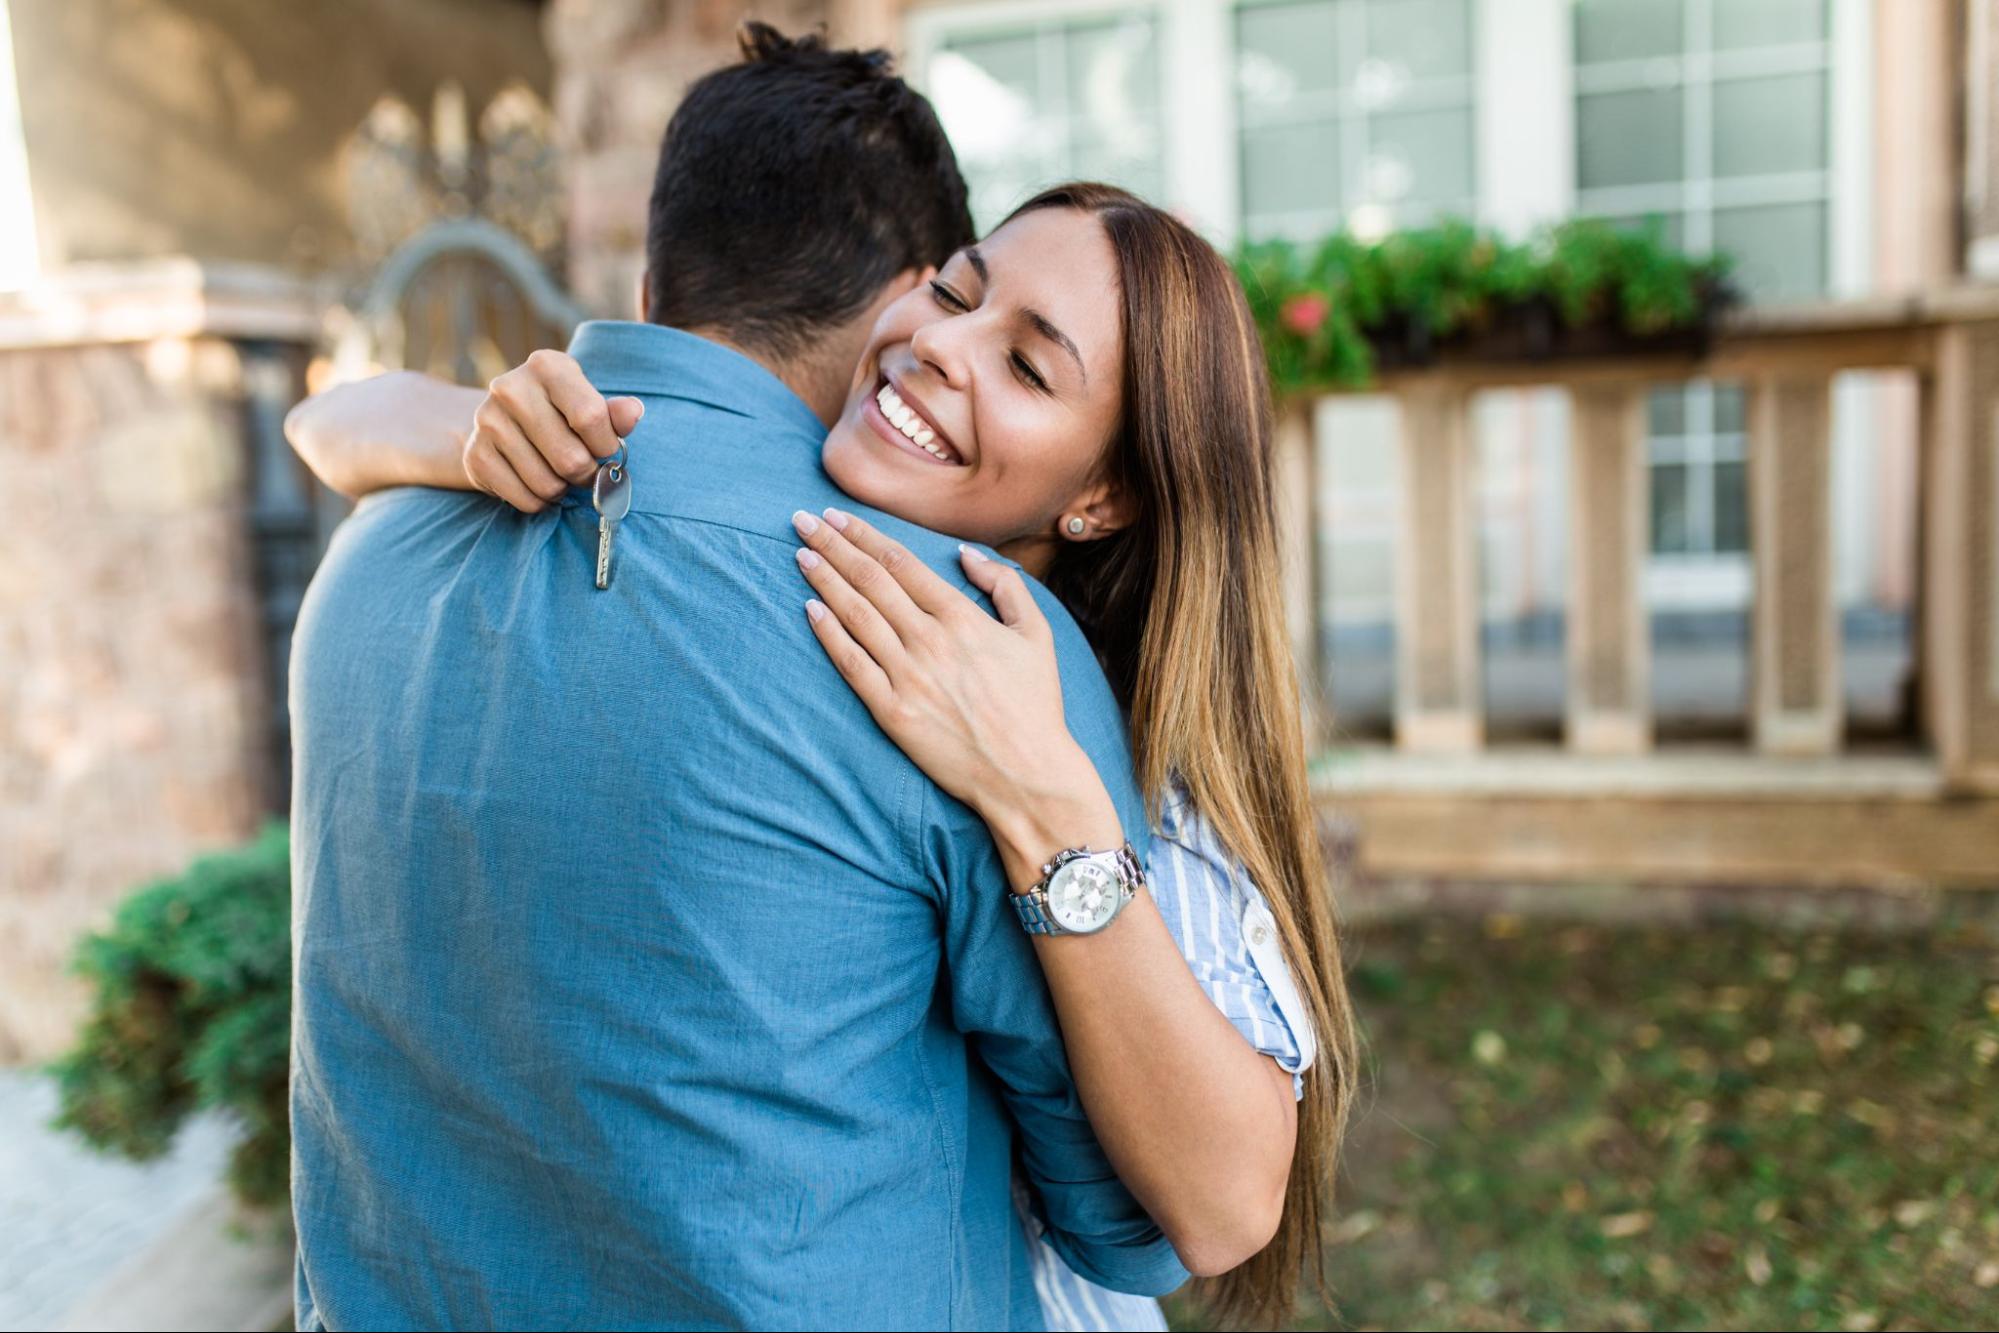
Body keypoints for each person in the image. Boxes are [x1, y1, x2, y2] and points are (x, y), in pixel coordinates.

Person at [294, 169, 1362, 1333]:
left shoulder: (1102, 713)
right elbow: (328, 424)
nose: (944, 347)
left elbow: (1213, 1214)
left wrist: (1046, 797)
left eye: (1028, 365)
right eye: (956, 294)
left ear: (1100, 498)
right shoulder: (813, 564)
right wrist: (455, 423)